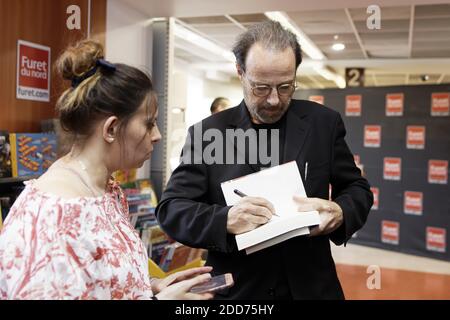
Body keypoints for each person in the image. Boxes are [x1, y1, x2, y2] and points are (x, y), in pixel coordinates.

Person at [156, 21, 373, 299]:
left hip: (312, 288)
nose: (273, 100)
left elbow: (357, 188)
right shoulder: (208, 133)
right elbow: (172, 209)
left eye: (285, 86)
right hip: (240, 292)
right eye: (261, 87)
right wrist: (224, 219)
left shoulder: (323, 124)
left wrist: (341, 212)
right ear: (240, 73)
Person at [0, 40, 214, 300]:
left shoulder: (105, 189)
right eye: (148, 124)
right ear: (111, 129)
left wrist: (150, 284)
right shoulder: (56, 219)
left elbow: (102, 281)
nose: (156, 136)